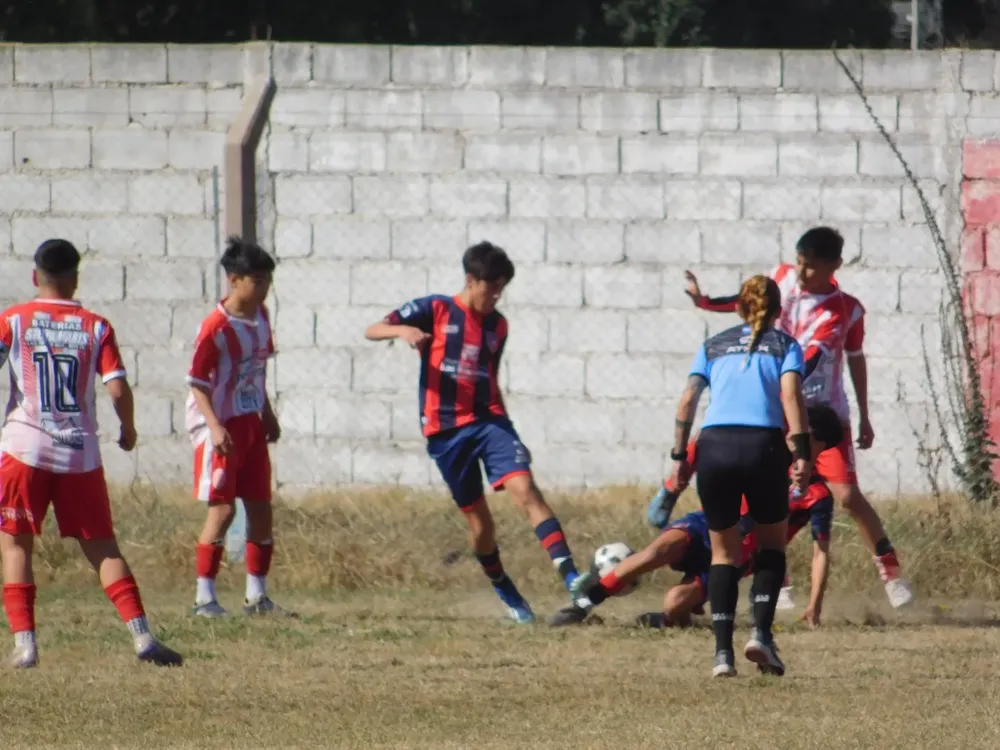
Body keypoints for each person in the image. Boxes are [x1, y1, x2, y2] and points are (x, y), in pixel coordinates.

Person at [647, 226, 914, 610]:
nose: (803, 274)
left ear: (834, 266)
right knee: (745, 470)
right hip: (780, 408)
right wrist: (705, 302)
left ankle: (890, 571)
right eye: (801, 264)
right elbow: (748, 304)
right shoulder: (784, 277)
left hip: (822, 415)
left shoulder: (844, 309)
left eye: (811, 268)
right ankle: (675, 487)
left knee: (847, 496)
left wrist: (865, 416)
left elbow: (837, 359)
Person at [364, 241, 589, 624]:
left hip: (489, 422)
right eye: (492, 287)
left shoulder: (498, 325)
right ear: (472, 280)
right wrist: (402, 331)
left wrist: (510, 431)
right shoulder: (435, 309)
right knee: (480, 524)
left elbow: (491, 378)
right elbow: (372, 329)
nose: (497, 295)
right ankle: (503, 586)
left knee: (526, 490)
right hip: (446, 433)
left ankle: (571, 578)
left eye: (502, 288)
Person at [0, 239, 183, 668]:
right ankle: (141, 636)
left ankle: (25, 646)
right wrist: (129, 428)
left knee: (15, 547)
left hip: (24, 448)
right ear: (76, 277)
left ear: (34, 276)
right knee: (102, 547)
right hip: (78, 453)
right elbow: (117, 386)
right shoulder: (95, 326)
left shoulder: (13, 321)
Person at [553, 405, 842, 630]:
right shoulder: (767, 452)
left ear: (819, 443)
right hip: (708, 523)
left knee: (674, 603)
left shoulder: (817, 495)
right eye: (793, 432)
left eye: (801, 435)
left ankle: (669, 619)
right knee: (655, 552)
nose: (792, 438)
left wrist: (814, 606)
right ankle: (582, 606)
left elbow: (820, 553)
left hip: (737, 555)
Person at [675, 274, 810, 678]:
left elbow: (687, 399)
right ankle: (762, 637)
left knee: (723, 554)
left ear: (737, 307)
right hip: (763, 449)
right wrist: (801, 452)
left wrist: (680, 454)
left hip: (714, 449)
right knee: (770, 547)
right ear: (778, 310)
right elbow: (791, 395)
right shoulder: (787, 345)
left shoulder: (711, 347)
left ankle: (721, 655)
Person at [187, 237, 291, 619]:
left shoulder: (261, 315)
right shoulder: (215, 326)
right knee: (223, 510)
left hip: (249, 423)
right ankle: (204, 599)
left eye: (267, 281)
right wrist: (213, 426)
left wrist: (267, 413)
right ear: (234, 280)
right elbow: (197, 381)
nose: (264, 288)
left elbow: (256, 370)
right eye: (257, 280)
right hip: (221, 426)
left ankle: (257, 597)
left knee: (261, 508)